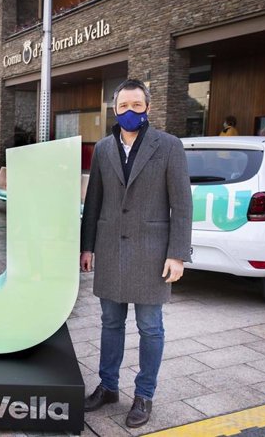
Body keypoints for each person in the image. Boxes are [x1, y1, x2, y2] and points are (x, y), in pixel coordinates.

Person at [80, 79, 192, 428]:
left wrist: (177, 254)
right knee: (111, 322)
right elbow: (93, 200)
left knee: (150, 326)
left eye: (137, 106)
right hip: (111, 249)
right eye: (123, 106)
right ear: (115, 110)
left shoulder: (169, 146)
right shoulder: (103, 148)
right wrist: (88, 247)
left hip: (151, 252)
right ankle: (109, 386)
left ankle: (144, 395)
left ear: (148, 108)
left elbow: (182, 203)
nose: (130, 112)